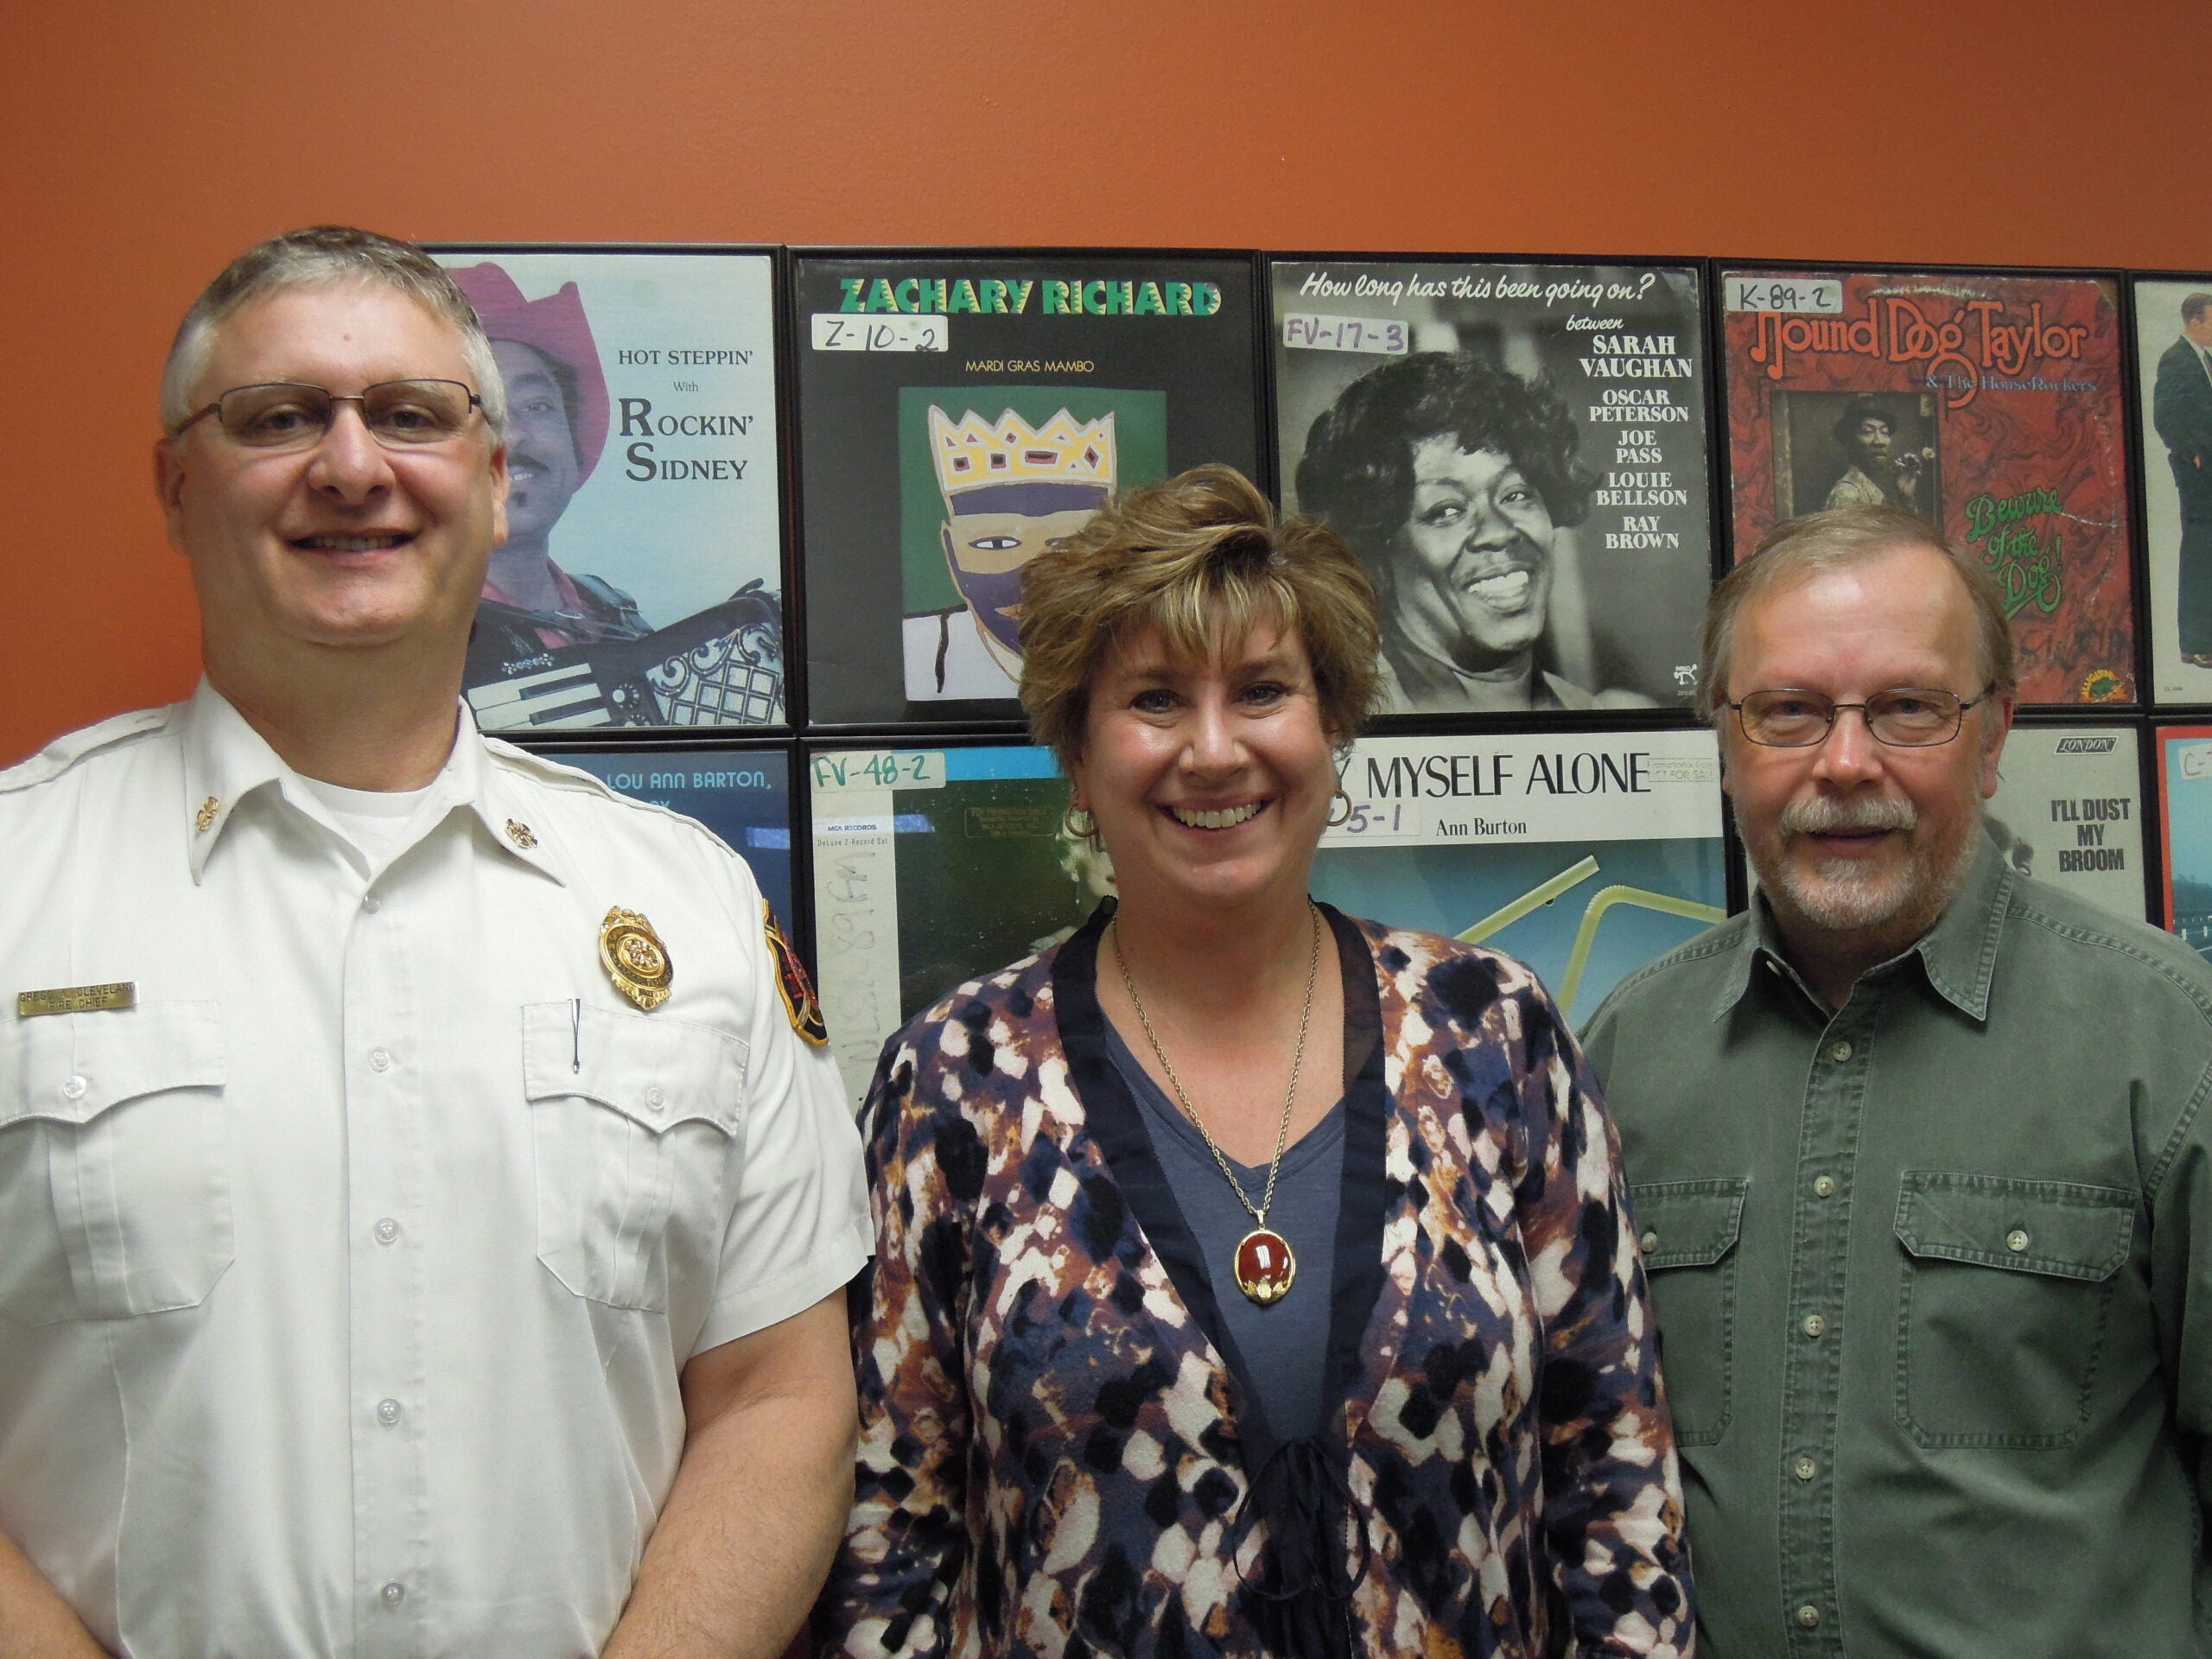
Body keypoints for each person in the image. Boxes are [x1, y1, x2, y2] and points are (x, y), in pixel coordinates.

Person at [0, 226, 871, 1658]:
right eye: (280, 418)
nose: (353, 466)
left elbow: (780, 1393)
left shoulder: (691, 904)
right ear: (175, 484)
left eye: (412, 415)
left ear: (495, 475)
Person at [819, 465, 1692, 1657]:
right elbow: (895, 1528)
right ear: (1077, 759)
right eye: (1157, 700)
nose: (1215, 750)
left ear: (1332, 728)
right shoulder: (957, 1079)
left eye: (1264, 690)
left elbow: (1615, 1476)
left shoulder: (1492, 1032)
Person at [1580, 505, 2212, 1656]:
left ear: (1996, 733)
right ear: (1728, 740)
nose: (1846, 762)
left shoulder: (2171, 1045)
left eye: (1909, 708)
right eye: (1790, 712)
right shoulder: (1628, 1052)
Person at [1294, 349, 1654, 714]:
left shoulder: (1606, 719)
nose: (1498, 532)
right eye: (1447, 511)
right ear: (1376, 548)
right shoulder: (1335, 724)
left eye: (1515, 494)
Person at [447, 261, 651, 652]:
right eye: (484, 413)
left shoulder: (611, 610)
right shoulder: (414, 634)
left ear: (573, 439)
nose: (514, 437)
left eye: (537, 406)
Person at [902, 404, 1116, 701]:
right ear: (952, 554)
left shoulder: (1138, 645)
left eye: (1067, 543)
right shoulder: (919, 651)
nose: (1030, 575)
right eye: (996, 545)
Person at [2152, 292, 2212, 669]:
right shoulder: (2176, 359)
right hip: (2198, 475)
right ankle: (2196, 644)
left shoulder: (2204, 360)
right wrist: (2194, 454)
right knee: (2199, 555)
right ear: (2195, 321)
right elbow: (2165, 416)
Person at [1821, 397, 1927, 518]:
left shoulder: (1872, 487)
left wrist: (1906, 497)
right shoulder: (1847, 493)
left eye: (1885, 433)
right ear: (1849, 441)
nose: (1880, 441)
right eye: (1867, 432)